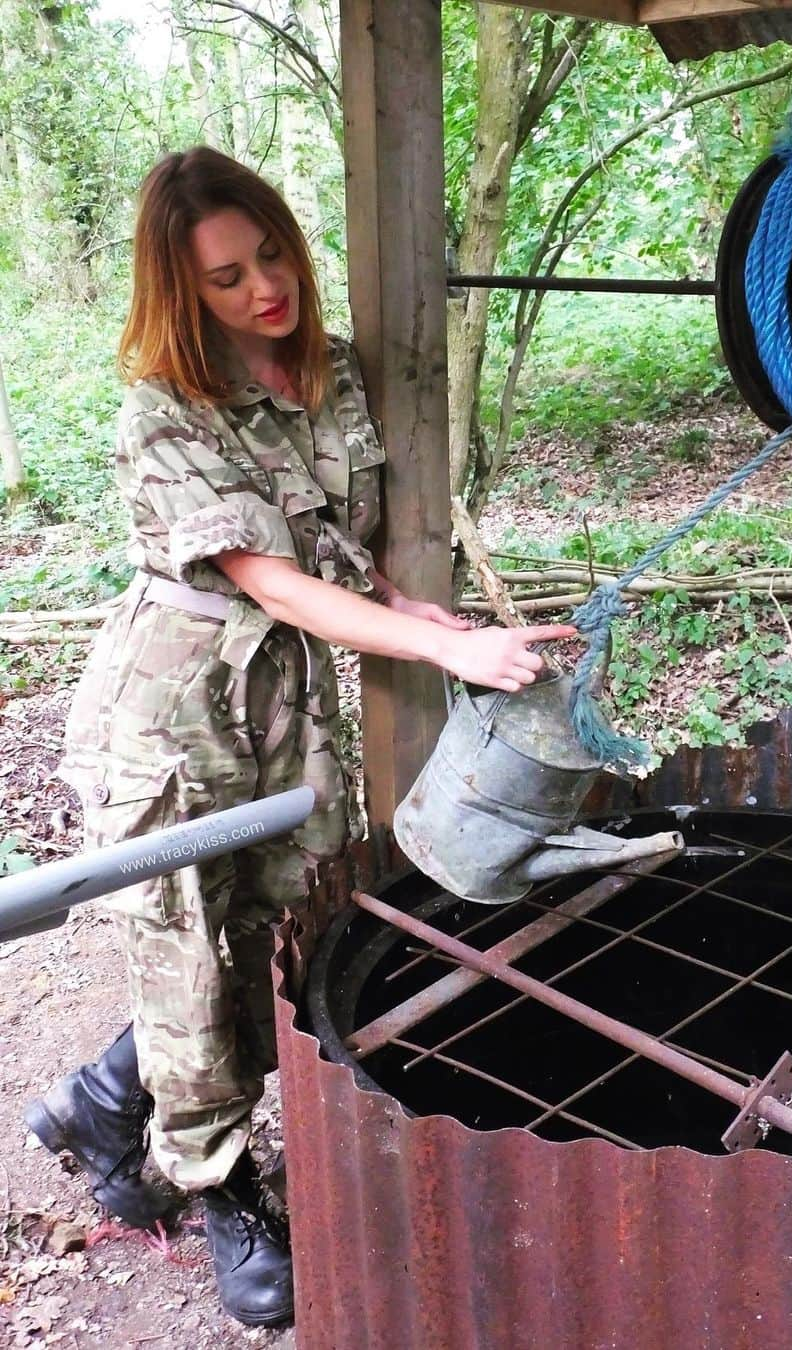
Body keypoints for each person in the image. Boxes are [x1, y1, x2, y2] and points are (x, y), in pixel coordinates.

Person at [24, 147, 575, 1329]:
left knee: (262, 932)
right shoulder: (164, 406)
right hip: (169, 712)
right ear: (184, 293)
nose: (263, 287)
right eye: (226, 278)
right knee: (178, 945)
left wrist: (408, 605)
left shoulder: (328, 368)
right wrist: (442, 652)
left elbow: (330, 541)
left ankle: (99, 1097)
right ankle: (218, 1187)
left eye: (270, 252)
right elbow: (267, 576)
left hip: (285, 705)